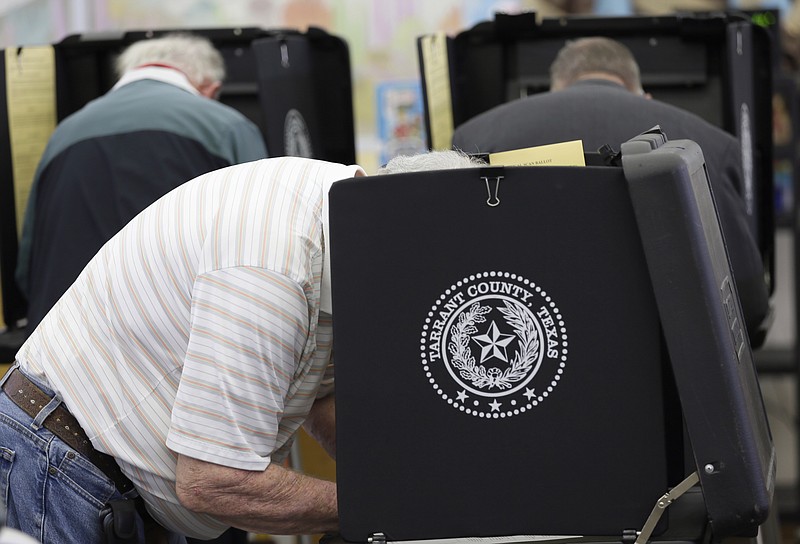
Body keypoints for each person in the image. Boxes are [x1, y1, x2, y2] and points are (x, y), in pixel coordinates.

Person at [0, 150, 481, 543]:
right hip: (61, 469)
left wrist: (416, 480)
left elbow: (322, 395)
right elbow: (213, 479)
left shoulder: (352, 217)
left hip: (102, 478)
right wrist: (393, 510)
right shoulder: (273, 267)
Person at [451, 36, 770, 344]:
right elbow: (747, 303)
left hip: (526, 356)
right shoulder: (713, 144)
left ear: (554, 90)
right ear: (642, 95)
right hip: (671, 373)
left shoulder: (475, 137)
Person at [15, 32, 268, 333]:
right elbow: (264, 241)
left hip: (66, 342)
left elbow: (27, 267)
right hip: (181, 340)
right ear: (209, 88)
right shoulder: (228, 126)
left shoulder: (62, 134)